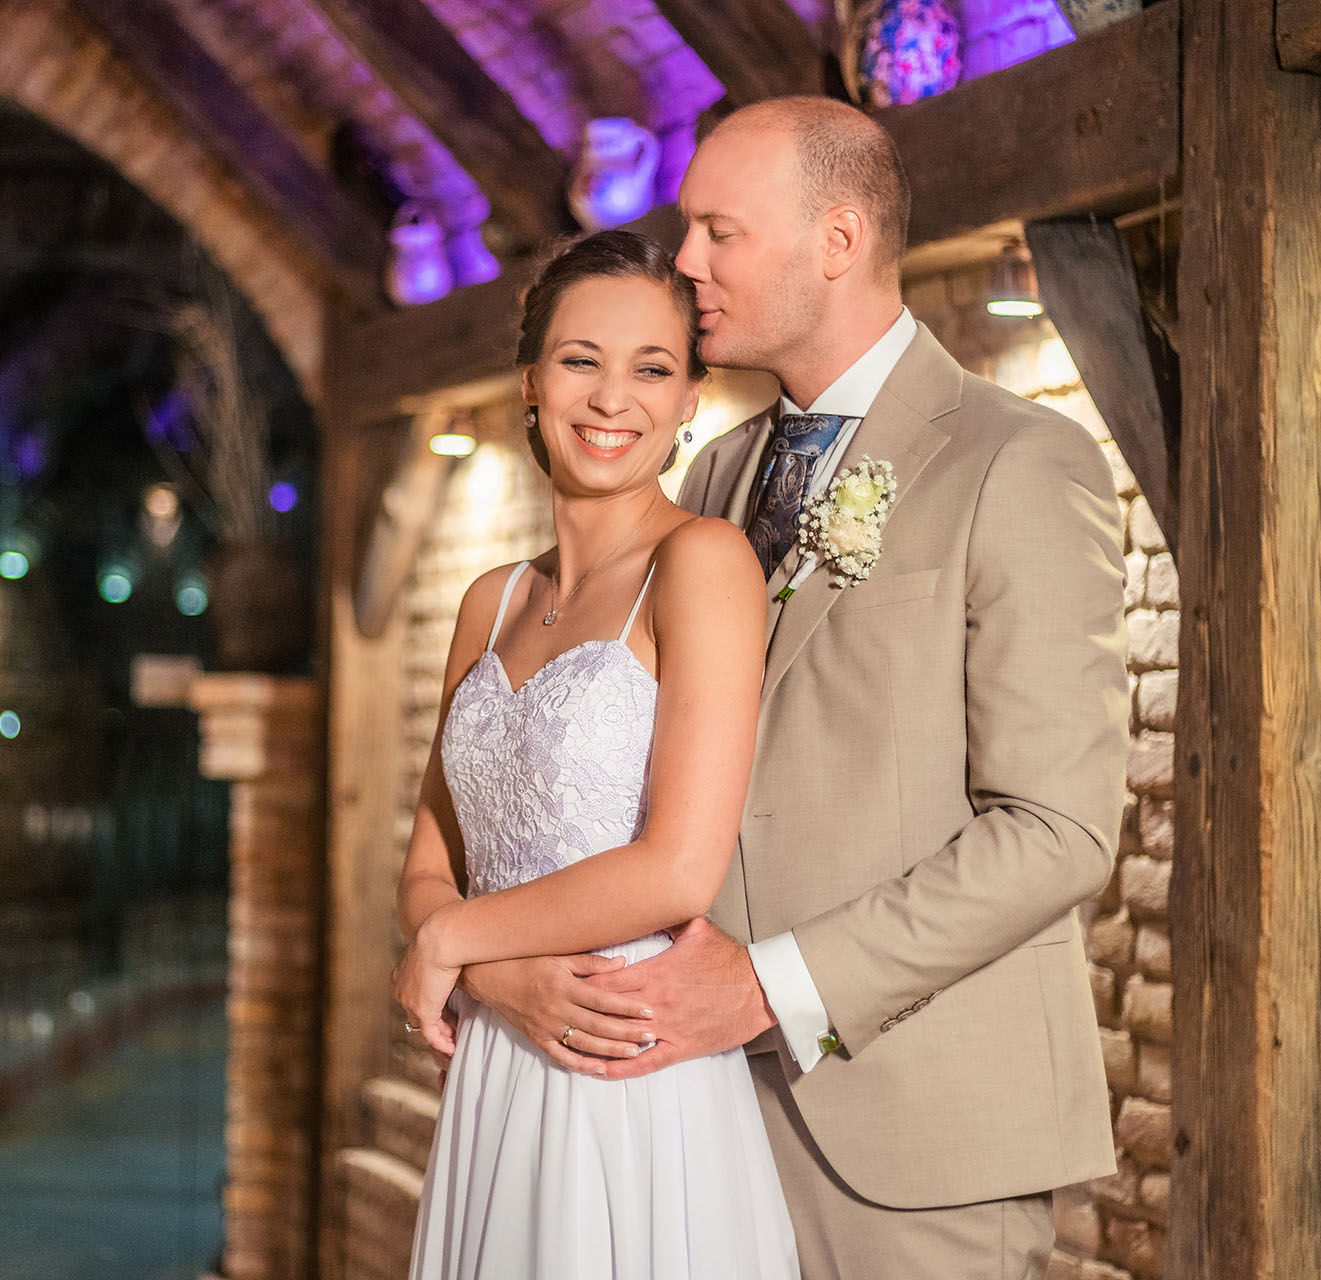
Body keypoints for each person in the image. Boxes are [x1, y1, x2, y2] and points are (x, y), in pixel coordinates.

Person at [453, 97, 1128, 1278]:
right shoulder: (712, 475)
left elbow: (1058, 829)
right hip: (691, 1114)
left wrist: (772, 986)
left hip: (918, 1135)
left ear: (839, 238)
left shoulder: (1016, 460)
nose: (688, 262)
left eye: (722, 232)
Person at [393, 229, 801, 1278]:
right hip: (497, 1061)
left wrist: (454, 944)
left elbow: (678, 868)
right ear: (532, 383)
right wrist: (493, 974)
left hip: (627, 1062)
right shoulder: (490, 602)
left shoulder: (702, 562)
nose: (612, 397)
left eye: (652, 369)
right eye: (581, 360)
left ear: (690, 398)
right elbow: (430, 860)